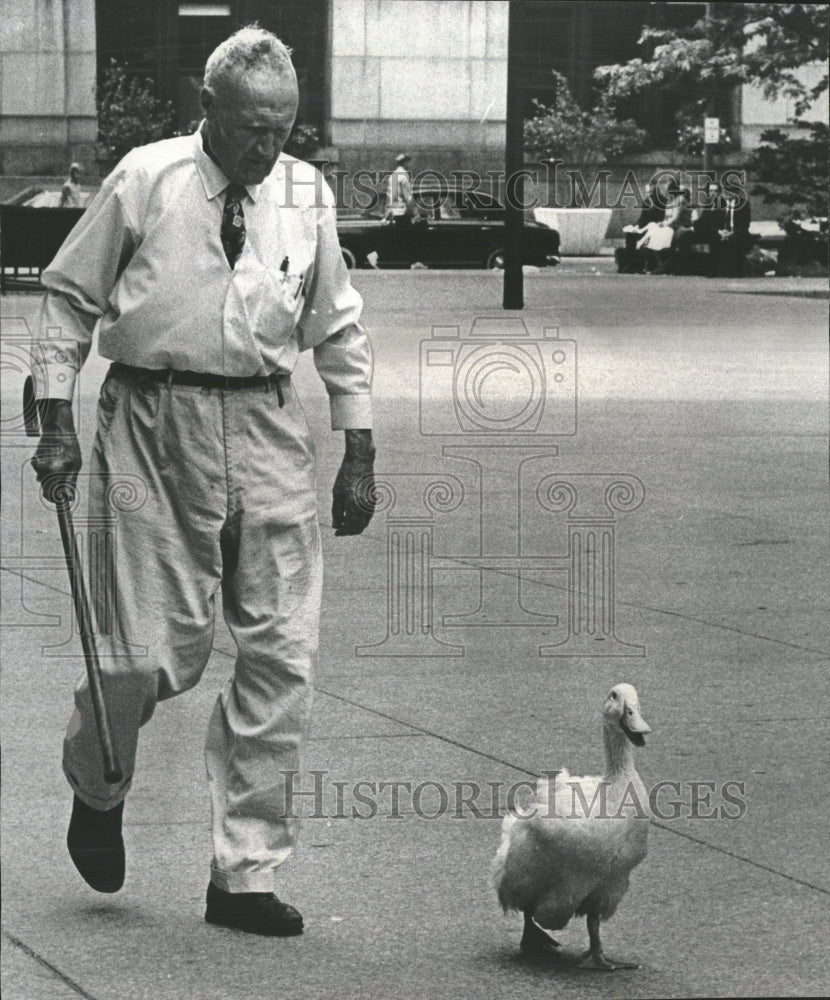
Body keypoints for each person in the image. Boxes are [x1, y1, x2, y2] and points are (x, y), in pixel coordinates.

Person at [29, 26, 375, 937]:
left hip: (267, 423)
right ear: (209, 109)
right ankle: (99, 783)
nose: (269, 147)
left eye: (284, 127)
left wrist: (360, 447)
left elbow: (336, 325)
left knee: (281, 655)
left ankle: (244, 876)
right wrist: (56, 416)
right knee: (142, 654)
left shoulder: (307, 194)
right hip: (151, 422)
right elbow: (67, 298)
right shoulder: (146, 178)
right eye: (253, 127)